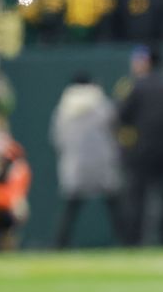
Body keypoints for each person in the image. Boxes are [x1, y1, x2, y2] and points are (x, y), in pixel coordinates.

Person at [118, 45, 163, 245]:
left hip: (140, 150)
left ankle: (132, 242)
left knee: (136, 198)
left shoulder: (135, 86)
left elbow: (122, 116)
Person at [50, 72, 126, 248]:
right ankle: (126, 243)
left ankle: (59, 245)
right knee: (114, 205)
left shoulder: (63, 110)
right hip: (103, 164)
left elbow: (57, 139)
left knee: (71, 208)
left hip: (75, 165)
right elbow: (115, 131)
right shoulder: (102, 106)